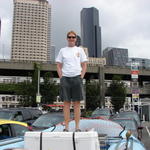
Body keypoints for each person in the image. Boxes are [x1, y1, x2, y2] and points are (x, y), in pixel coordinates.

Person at [56, 31, 88, 132]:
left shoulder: (80, 50)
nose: (71, 39)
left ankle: (77, 127)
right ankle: (66, 127)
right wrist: (61, 77)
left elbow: (84, 64)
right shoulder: (62, 50)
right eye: (69, 37)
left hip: (77, 78)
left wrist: (81, 77)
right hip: (65, 78)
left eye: (73, 37)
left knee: (77, 103)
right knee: (66, 104)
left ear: (76, 39)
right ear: (67, 38)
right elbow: (58, 65)